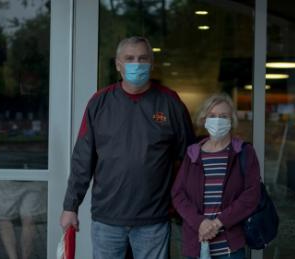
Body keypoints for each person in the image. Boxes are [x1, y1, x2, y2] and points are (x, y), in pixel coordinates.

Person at [60, 36, 195, 259]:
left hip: (154, 219)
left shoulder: (170, 103)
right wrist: (70, 206)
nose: (136, 63)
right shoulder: (99, 103)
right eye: (129, 58)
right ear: (118, 64)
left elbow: (190, 160)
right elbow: (82, 159)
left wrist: (187, 208)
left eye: (142, 58)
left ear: (152, 63)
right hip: (107, 220)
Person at [171, 93, 261, 259]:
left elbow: (251, 195)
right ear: (204, 119)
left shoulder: (243, 152)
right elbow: (178, 194)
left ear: (231, 120)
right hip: (196, 245)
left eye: (223, 116)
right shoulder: (193, 154)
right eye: (212, 116)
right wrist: (200, 222)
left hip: (230, 248)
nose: (217, 120)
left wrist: (218, 223)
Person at [0, 180, 46, 259]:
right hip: (30, 174)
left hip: (31, 175)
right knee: (7, 219)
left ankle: (18, 257)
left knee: (25, 220)